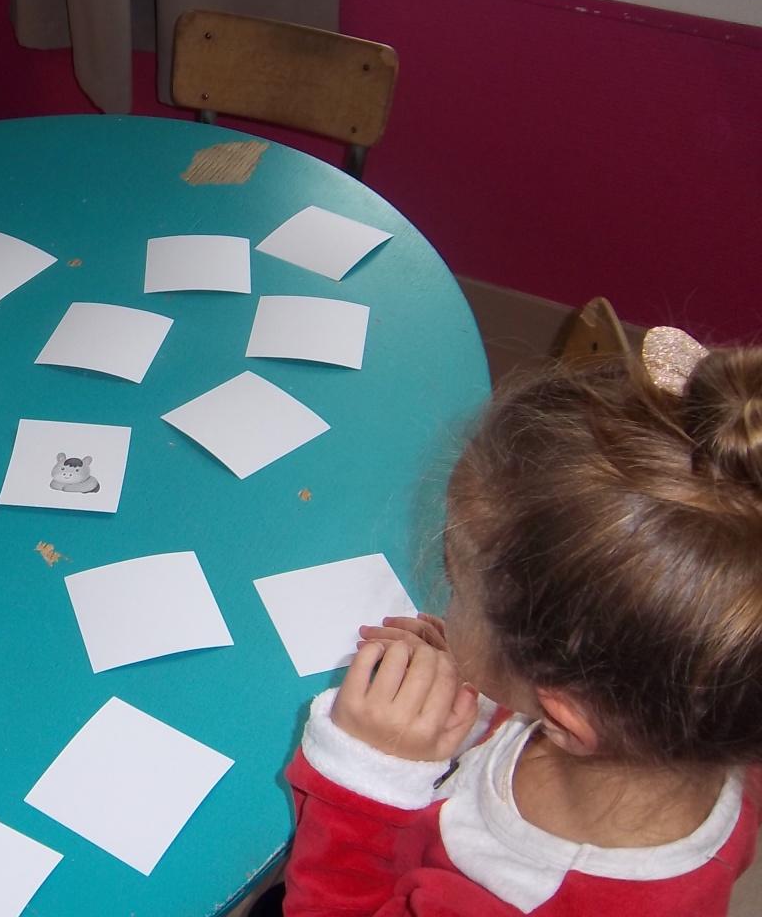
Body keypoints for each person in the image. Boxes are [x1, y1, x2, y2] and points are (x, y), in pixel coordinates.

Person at [275, 333, 762, 916]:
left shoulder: (520, 898)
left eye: (458, 591)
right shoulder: (714, 707)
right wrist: (490, 680)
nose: (449, 604)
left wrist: (361, 783)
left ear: (564, 712)